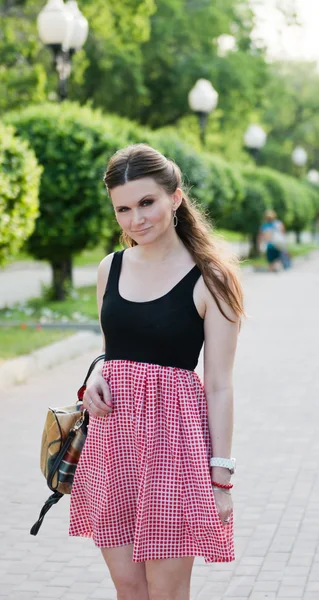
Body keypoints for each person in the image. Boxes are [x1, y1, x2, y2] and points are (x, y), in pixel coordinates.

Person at [69, 144, 244, 600]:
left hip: (175, 452)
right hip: (114, 444)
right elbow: (112, 351)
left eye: (147, 203)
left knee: (165, 592)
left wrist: (221, 479)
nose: (135, 220)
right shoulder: (111, 267)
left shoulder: (211, 279)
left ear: (176, 198)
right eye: (122, 209)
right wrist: (97, 380)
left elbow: (221, 385)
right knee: (129, 588)